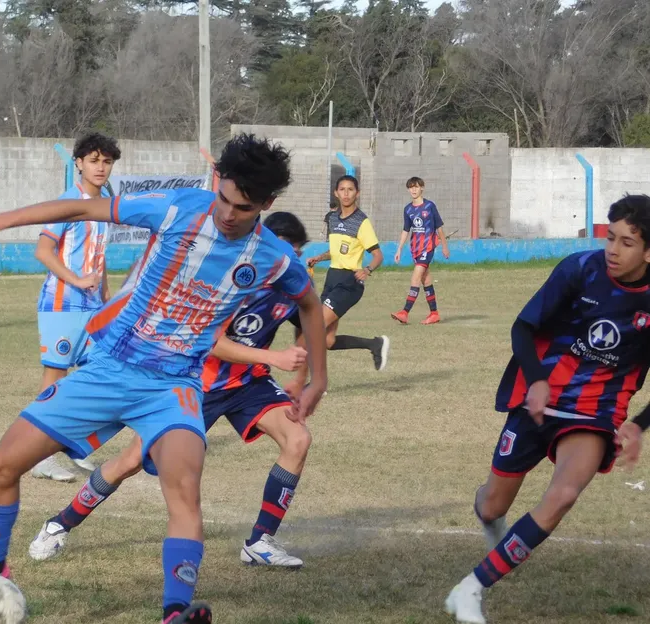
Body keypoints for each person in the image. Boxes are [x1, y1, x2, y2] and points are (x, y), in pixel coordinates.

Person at [0, 134, 328, 624]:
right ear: (217, 182)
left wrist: (315, 379)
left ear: (266, 205)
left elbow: (308, 303)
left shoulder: (273, 257)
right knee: (3, 463)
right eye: (225, 200)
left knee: (185, 490)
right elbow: (81, 205)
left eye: (245, 208)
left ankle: (175, 620)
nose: (230, 215)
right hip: (108, 370)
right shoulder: (177, 208)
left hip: (175, 388)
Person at [28, 211, 320, 569]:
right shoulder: (234, 282)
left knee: (298, 440)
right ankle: (60, 523)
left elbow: (312, 319)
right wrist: (274, 356)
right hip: (196, 383)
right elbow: (212, 341)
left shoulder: (294, 284)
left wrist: (302, 375)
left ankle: (260, 541)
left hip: (248, 381)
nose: (292, 262)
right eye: (287, 252)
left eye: (297, 253)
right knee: (130, 461)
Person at [445, 194, 650, 624]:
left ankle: (471, 588)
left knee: (563, 495)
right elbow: (523, 326)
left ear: (648, 251)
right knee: (492, 505)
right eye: (610, 237)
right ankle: (487, 513)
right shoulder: (580, 269)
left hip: (595, 413)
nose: (613, 249)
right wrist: (537, 379)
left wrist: (638, 424)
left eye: (627, 242)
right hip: (538, 401)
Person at [31, 133, 121, 482]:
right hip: (62, 303)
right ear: (79, 163)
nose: (101, 167)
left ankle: (72, 442)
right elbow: (43, 250)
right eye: (94, 160)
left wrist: (107, 297)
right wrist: (76, 279)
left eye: (107, 161)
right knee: (55, 376)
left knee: (104, 374)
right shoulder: (68, 201)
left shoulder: (106, 202)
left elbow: (100, 257)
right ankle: (40, 455)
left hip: (93, 306)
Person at [306, 175, 389, 371]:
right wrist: (319, 257)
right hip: (332, 278)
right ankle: (374, 344)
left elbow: (378, 255)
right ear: (336, 193)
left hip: (348, 282)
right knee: (327, 341)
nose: (345, 193)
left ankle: (317, 384)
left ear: (357, 193)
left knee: (314, 328)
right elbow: (337, 250)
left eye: (350, 189)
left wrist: (367, 269)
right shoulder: (333, 218)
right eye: (342, 189)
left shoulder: (362, 221)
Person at [391, 176, 450, 325]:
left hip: (427, 248)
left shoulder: (430, 206)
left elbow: (439, 228)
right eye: (411, 187)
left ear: (422, 188)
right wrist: (399, 249)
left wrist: (444, 246)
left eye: (416, 187)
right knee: (426, 279)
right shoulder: (408, 209)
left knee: (416, 277)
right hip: (415, 249)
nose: (414, 190)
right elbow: (406, 230)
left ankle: (405, 312)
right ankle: (434, 313)